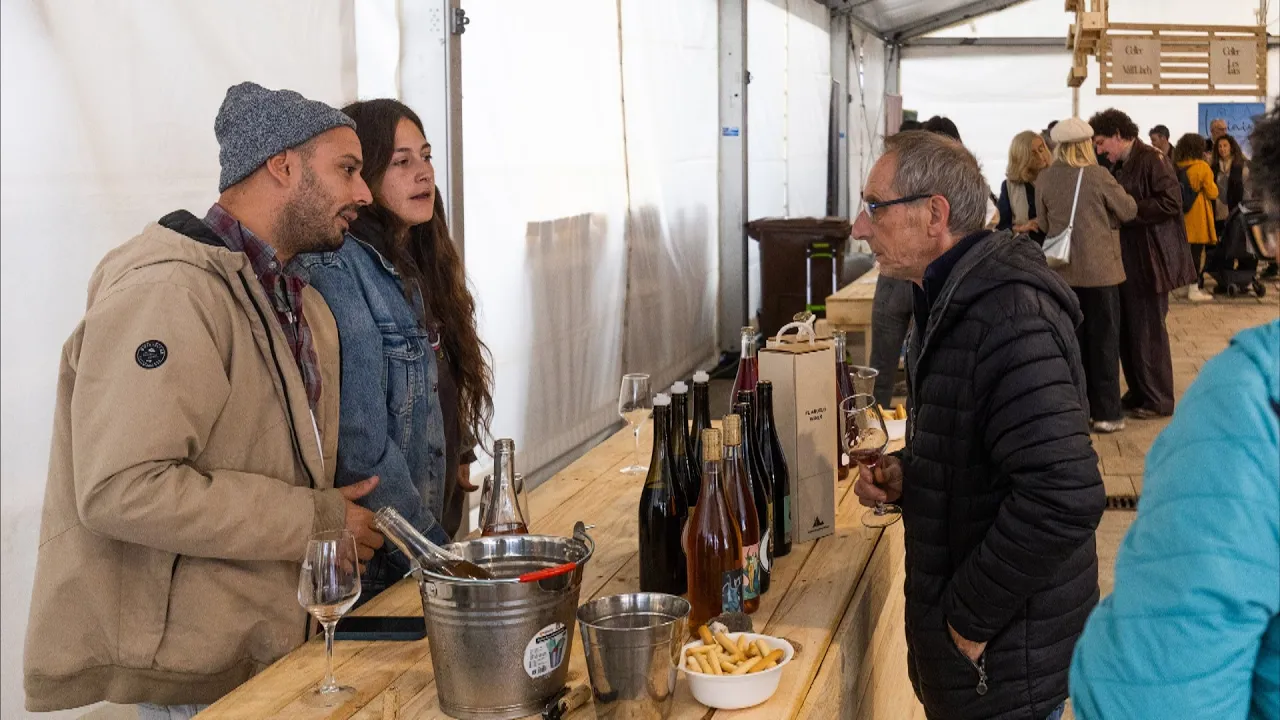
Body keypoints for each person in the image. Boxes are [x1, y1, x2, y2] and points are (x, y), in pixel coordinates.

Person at [23, 82, 382, 718]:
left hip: (267, 654)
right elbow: (123, 487)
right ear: (282, 164)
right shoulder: (170, 294)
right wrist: (318, 521)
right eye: (347, 169)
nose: (364, 193)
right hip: (196, 682)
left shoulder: (301, 304)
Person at [851, 130, 1105, 720]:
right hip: (992, 661)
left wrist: (966, 622)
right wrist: (911, 475)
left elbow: (1064, 495)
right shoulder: (953, 299)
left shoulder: (1007, 316)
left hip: (1008, 662)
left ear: (934, 214)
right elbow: (991, 453)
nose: (861, 229)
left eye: (875, 209)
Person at [1069, 103, 1280, 720]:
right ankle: (1146, 393)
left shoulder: (1250, 406)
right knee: (1136, 340)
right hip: (1131, 264)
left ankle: (1154, 394)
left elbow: (1153, 689)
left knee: (1151, 342)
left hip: (1154, 256)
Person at [301, 99, 494, 598]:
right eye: (402, 162)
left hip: (429, 534)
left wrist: (462, 445)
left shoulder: (415, 253)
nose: (424, 174)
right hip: (391, 560)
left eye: (426, 157)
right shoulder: (341, 264)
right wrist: (434, 553)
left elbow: (435, 365)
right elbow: (361, 445)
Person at [1090, 108, 1197, 419]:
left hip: (1151, 260)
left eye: (1101, 143)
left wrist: (1129, 210)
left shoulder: (1152, 159)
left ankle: (1158, 399)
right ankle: (1139, 392)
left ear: (1119, 136)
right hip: (1131, 258)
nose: (1099, 151)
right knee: (1129, 330)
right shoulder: (1123, 162)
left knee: (1148, 331)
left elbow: (1171, 202)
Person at [1036, 117, 1137, 433]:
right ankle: (1106, 413)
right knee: (1104, 343)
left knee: (1071, 344)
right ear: (1085, 145)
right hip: (1101, 274)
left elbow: (1042, 222)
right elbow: (1129, 210)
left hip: (1061, 274)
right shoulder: (1099, 176)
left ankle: (1076, 411)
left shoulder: (1046, 179)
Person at [1172, 132, 1219, 297]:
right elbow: (1213, 192)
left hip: (1181, 216)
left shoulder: (1177, 165)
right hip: (1198, 215)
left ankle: (1183, 285)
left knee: (1184, 254)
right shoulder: (1202, 167)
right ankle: (1194, 288)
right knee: (1197, 253)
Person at [996, 130, 1052, 243]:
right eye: (1033, 153)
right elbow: (1001, 227)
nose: (1041, 156)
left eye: (1041, 149)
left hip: (1056, 248)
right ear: (1022, 158)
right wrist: (1023, 227)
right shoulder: (1010, 186)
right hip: (1025, 250)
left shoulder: (1057, 177)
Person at [1212, 133, 1248, 237]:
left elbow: (1246, 190)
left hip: (1236, 212)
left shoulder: (1241, 165)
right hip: (1218, 213)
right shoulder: (1213, 167)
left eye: (1225, 145)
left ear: (1231, 147)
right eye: (1220, 146)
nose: (1222, 149)